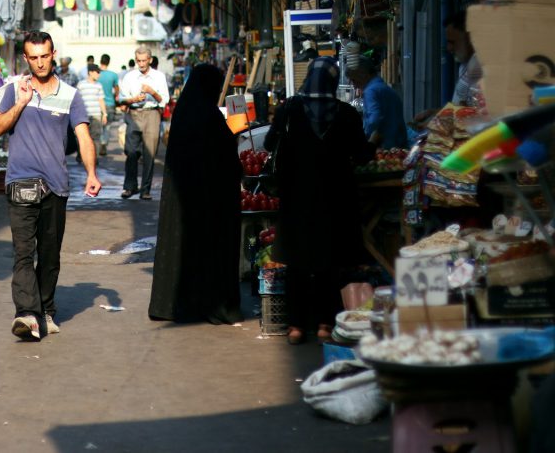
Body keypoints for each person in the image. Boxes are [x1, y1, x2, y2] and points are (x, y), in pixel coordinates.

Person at [0, 31, 102, 341]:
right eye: (33, 57)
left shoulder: (71, 94)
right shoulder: (14, 89)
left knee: (50, 255)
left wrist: (91, 173)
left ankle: (46, 310)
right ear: (26, 58)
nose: (40, 62)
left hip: (56, 186)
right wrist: (21, 103)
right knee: (24, 252)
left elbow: (83, 136)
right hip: (20, 182)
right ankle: (26, 313)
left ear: (54, 54)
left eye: (45, 56)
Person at [264, 58, 374, 345]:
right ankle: (326, 324)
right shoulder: (346, 113)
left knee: (298, 265)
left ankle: (296, 327)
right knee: (330, 263)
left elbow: (268, 145)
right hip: (335, 200)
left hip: (297, 198)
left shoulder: (290, 109)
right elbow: (362, 155)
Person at [148, 65, 243, 325]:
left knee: (182, 248)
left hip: (182, 199)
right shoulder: (210, 117)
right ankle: (215, 307)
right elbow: (227, 162)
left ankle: (172, 304)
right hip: (211, 201)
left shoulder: (183, 114)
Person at [414, 10, 485, 126]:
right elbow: (460, 108)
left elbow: (476, 114)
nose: (449, 48)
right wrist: (434, 113)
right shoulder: (464, 66)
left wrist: (438, 120)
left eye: (452, 42)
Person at [118, 46, 170, 200]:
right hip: (134, 113)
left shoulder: (159, 77)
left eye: (143, 61)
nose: (141, 64)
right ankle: (130, 187)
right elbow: (122, 99)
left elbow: (164, 100)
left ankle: (145, 190)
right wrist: (133, 99)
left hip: (152, 114)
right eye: (138, 61)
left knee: (149, 154)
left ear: (150, 60)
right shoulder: (129, 77)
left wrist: (152, 92)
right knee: (131, 152)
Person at [346, 56, 408, 149]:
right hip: (399, 144)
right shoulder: (383, 88)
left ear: (363, 74)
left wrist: (365, 139)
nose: (353, 85)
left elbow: (374, 119)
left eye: (354, 80)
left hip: (385, 147)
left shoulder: (371, 91)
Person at [76, 64, 107, 163]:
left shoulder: (99, 85)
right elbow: (77, 100)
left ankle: (94, 158)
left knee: (96, 137)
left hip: (96, 115)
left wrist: (104, 114)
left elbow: (101, 100)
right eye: (97, 72)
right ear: (90, 72)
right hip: (83, 116)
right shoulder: (81, 85)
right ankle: (82, 156)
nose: (99, 75)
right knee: (82, 137)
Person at [97, 54, 120, 156]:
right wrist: (117, 97)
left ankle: (98, 144)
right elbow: (117, 89)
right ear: (108, 62)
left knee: (98, 125)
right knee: (107, 125)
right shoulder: (113, 75)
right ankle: (104, 143)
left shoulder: (96, 74)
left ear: (100, 61)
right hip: (110, 103)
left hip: (97, 103)